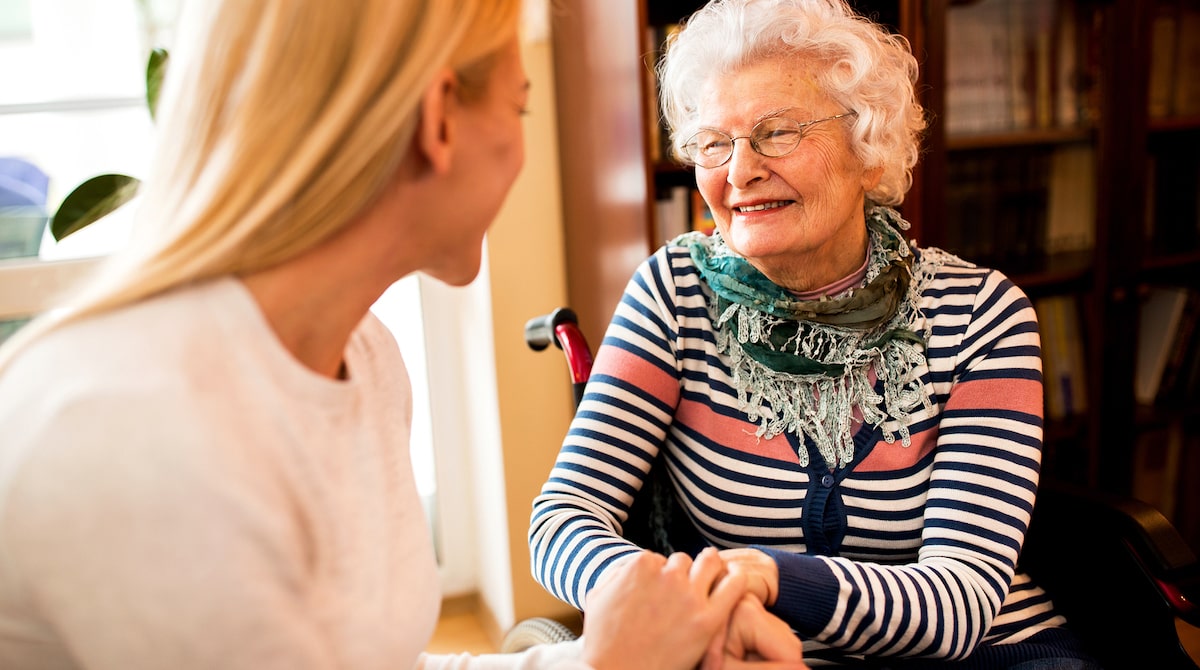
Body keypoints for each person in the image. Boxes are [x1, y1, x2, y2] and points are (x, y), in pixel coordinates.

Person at [0, 1, 807, 669]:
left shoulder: (365, 361)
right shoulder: (131, 428)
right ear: (439, 121)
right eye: (519, 105)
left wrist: (632, 643)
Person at [528, 0, 1101, 667]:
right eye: (715, 142)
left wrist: (763, 579)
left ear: (868, 146)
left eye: (776, 132)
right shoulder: (674, 292)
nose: (739, 171)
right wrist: (689, 603)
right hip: (751, 649)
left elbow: (958, 604)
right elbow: (562, 520)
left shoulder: (982, 315)